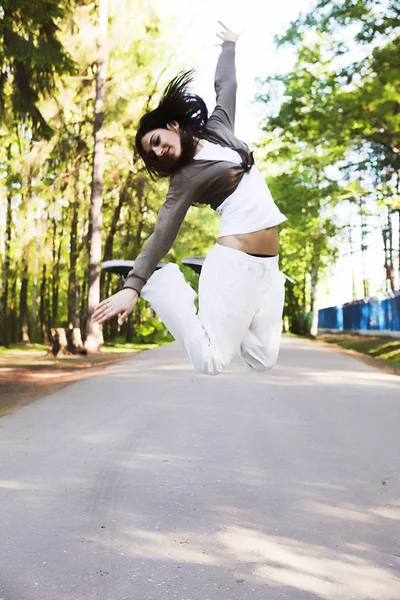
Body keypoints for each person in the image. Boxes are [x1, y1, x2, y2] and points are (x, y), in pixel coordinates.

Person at [92, 22, 287, 376]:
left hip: (269, 266)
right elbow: (162, 233)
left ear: (171, 126)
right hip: (235, 261)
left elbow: (226, 86)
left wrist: (229, 45)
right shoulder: (185, 180)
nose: (159, 150)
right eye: (153, 154)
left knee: (262, 358)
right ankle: (162, 281)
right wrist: (134, 286)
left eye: (155, 140)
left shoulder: (218, 129)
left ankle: (201, 271)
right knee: (211, 360)